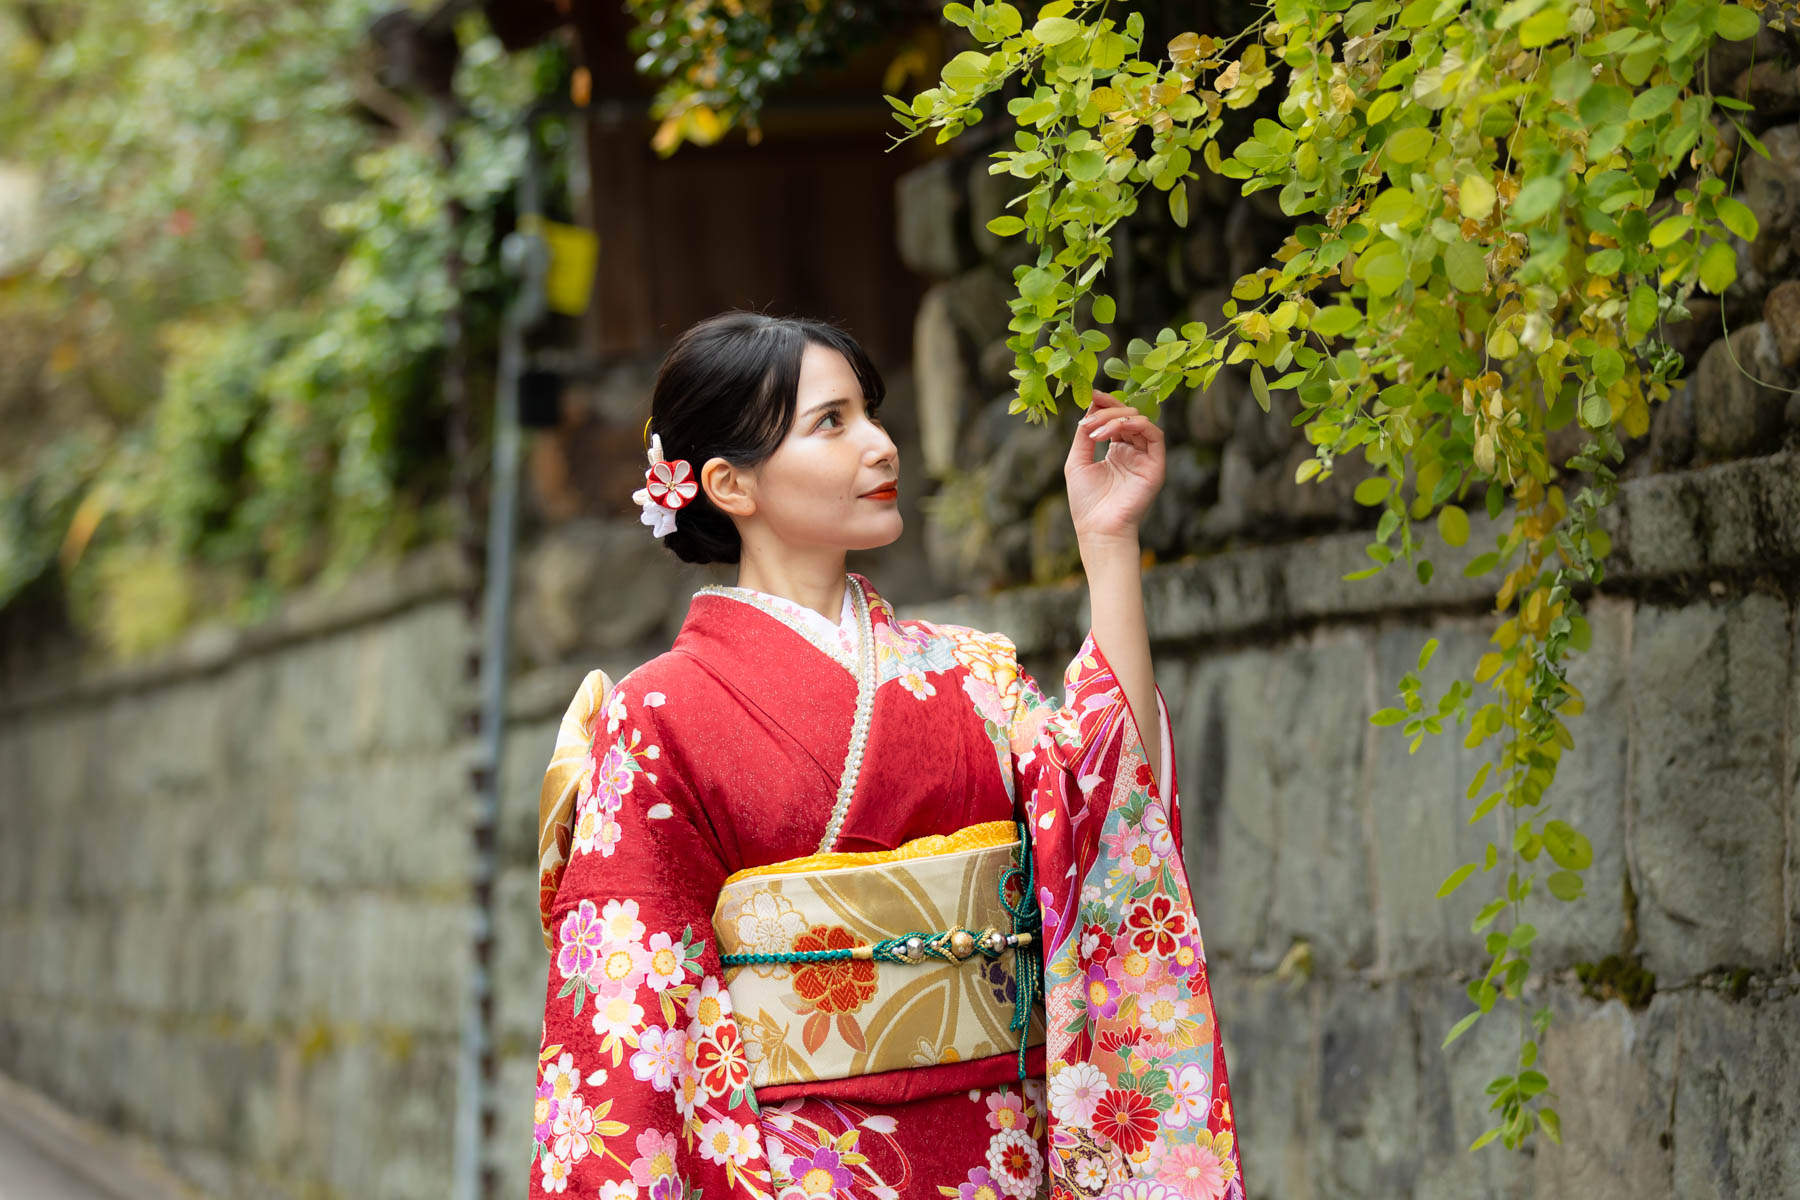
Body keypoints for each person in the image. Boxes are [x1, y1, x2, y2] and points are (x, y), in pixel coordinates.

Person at [531, 312, 1243, 1200]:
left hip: (1001, 1150)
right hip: (799, 1172)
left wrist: (1107, 544)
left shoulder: (971, 672)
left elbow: (1106, 799)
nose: (882, 444)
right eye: (832, 422)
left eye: (870, 412)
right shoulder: (660, 712)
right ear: (729, 483)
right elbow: (626, 1005)